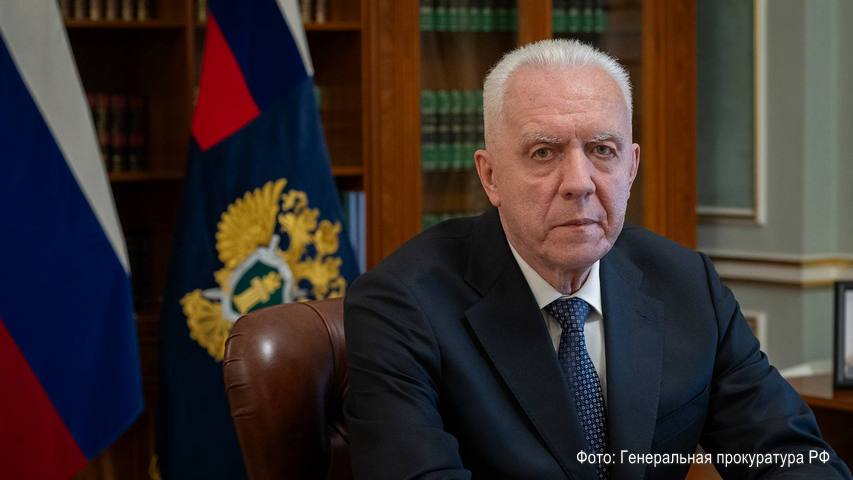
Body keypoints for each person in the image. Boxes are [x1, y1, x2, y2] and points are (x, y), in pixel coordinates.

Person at [343, 39, 852, 479]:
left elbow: (787, 456)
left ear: (631, 167)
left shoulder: (687, 285)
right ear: (490, 175)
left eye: (602, 150)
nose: (579, 183)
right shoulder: (401, 306)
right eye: (544, 152)